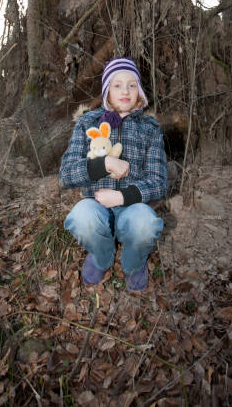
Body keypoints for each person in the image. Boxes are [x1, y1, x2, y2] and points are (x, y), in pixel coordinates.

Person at [59, 57, 168, 291]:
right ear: (107, 91)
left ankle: (133, 263)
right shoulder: (88, 123)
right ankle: (102, 257)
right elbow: (66, 174)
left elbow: (159, 182)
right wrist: (105, 164)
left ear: (139, 90)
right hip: (95, 205)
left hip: (134, 206)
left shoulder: (150, 129)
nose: (125, 91)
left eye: (131, 85)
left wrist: (122, 197)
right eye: (117, 85)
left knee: (146, 225)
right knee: (81, 218)